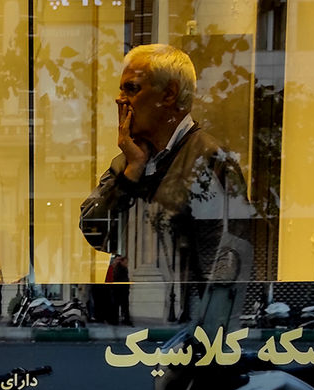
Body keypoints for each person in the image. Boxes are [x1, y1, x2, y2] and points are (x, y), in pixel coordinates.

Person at [79, 44, 252, 325]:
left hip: (183, 332)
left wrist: (204, 335)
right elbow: (94, 231)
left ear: (169, 94)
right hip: (132, 330)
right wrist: (131, 172)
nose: (120, 101)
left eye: (131, 89)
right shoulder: (130, 161)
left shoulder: (209, 160)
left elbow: (225, 267)